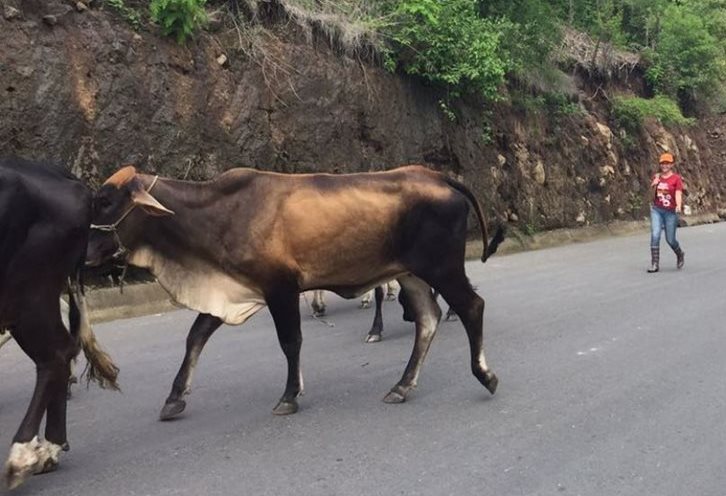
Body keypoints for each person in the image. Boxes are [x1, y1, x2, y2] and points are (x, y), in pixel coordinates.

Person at [647, 152, 685, 273]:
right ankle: (654, 264)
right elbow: (650, 195)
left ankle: (679, 253)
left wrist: (678, 205)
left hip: (670, 212)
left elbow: (678, 193)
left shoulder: (676, 178)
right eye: (663, 163)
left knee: (670, 239)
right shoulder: (656, 177)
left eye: (667, 163)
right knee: (655, 234)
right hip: (657, 210)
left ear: (672, 164)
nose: (665, 165)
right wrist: (654, 184)